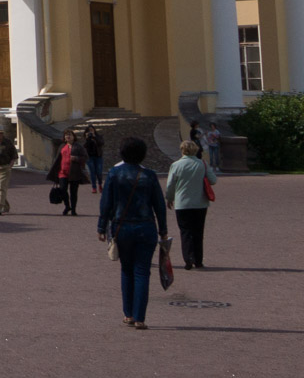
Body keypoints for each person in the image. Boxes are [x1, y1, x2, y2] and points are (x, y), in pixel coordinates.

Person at [97, 136, 169, 329]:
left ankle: (128, 314)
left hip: (122, 226)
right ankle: (140, 317)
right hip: (146, 227)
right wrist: (163, 230)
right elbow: (159, 206)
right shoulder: (150, 175)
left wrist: (101, 227)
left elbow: (106, 204)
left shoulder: (114, 173)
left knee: (126, 270)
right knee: (142, 272)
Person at [165, 140, 218, 270]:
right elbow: (213, 180)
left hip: (182, 203)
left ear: (182, 150)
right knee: (198, 232)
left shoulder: (176, 165)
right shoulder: (202, 164)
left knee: (185, 232)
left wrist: (169, 198)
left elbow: (170, 185)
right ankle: (198, 260)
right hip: (200, 203)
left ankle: (188, 259)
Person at [50, 128, 89, 216]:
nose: (68, 136)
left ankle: (73, 209)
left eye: (70, 135)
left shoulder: (78, 146)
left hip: (74, 172)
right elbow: (57, 158)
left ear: (73, 137)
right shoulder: (62, 146)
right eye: (66, 135)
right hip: (62, 172)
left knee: (73, 192)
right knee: (63, 189)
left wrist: (76, 158)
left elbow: (85, 157)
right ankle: (67, 206)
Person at [84, 125, 106, 193]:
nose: (91, 131)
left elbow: (101, 143)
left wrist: (95, 137)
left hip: (98, 156)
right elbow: (85, 146)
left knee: (99, 172)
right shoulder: (87, 138)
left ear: (94, 130)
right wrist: (88, 139)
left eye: (92, 129)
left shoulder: (98, 136)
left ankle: (100, 184)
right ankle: (94, 187)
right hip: (90, 157)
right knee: (92, 172)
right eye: (89, 130)